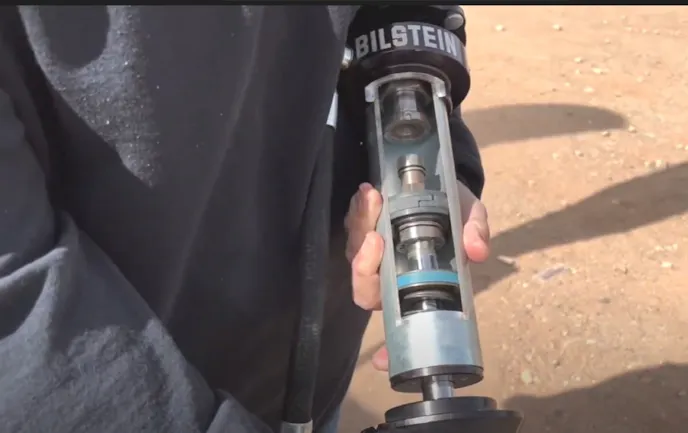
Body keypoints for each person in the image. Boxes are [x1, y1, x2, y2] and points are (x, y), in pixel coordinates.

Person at [0, 5, 490, 433]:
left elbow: (397, 14)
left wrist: (431, 140)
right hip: (134, 395)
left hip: (312, 369)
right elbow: (15, 295)